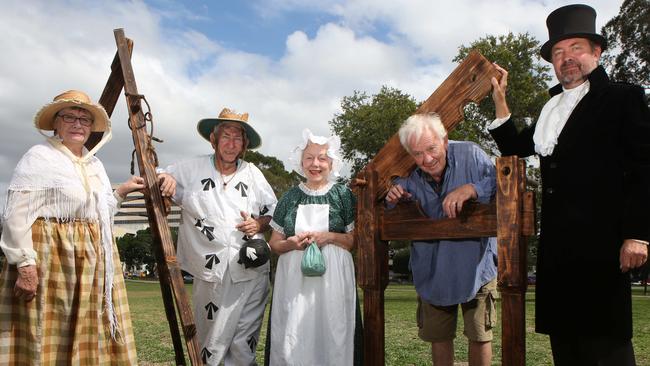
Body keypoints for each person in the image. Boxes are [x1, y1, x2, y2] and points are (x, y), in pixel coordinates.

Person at [489, 4, 650, 365]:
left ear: (596, 52)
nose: (566, 58)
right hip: (559, 251)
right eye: (558, 52)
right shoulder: (551, 109)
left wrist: (638, 234)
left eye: (575, 48)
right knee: (567, 347)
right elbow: (515, 149)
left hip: (604, 247)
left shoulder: (624, 98)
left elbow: (644, 168)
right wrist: (500, 99)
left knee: (606, 346)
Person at [0, 90, 164, 364]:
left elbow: (98, 215)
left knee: (86, 333)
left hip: (91, 265)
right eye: (70, 117)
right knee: (48, 330)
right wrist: (25, 265)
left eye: (84, 120)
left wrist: (121, 192)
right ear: (56, 122)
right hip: (54, 261)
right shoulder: (38, 158)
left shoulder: (94, 164)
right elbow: (15, 216)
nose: (78, 124)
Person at [158, 108, 277, 365]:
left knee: (243, 342)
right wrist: (166, 177)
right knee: (211, 341)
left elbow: (273, 210)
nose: (231, 143)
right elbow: (159, 173)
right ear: (213, 139)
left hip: (251, 270)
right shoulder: (190, 168)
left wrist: (258, 223)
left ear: (244, 144)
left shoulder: (253, 173)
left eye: (237, 138)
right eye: (226, 136)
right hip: (210, 273)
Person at [385, 113, 497, 366]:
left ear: (445, 141)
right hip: (432, 268)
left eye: (431, 148)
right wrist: (393, 199)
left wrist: (472, 189)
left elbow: (501, 183)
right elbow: (388, 213)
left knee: (479, 335)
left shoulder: (472, 154)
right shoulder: (405, 176)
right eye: (416, 153)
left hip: (476, 264)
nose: (426, 159)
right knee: (439, 336)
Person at [267, 129, 360, 365]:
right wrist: (290, 243)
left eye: (322, 158)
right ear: (301, 161)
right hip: (294, 281)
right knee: (293, 330)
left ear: (332, 162)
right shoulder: (289, 197)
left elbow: (353, 241)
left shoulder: (344, 195)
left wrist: (328, 236)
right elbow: (274, 243)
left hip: (333, 279)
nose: (315, 164)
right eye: (309, 157)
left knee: (334, 330)